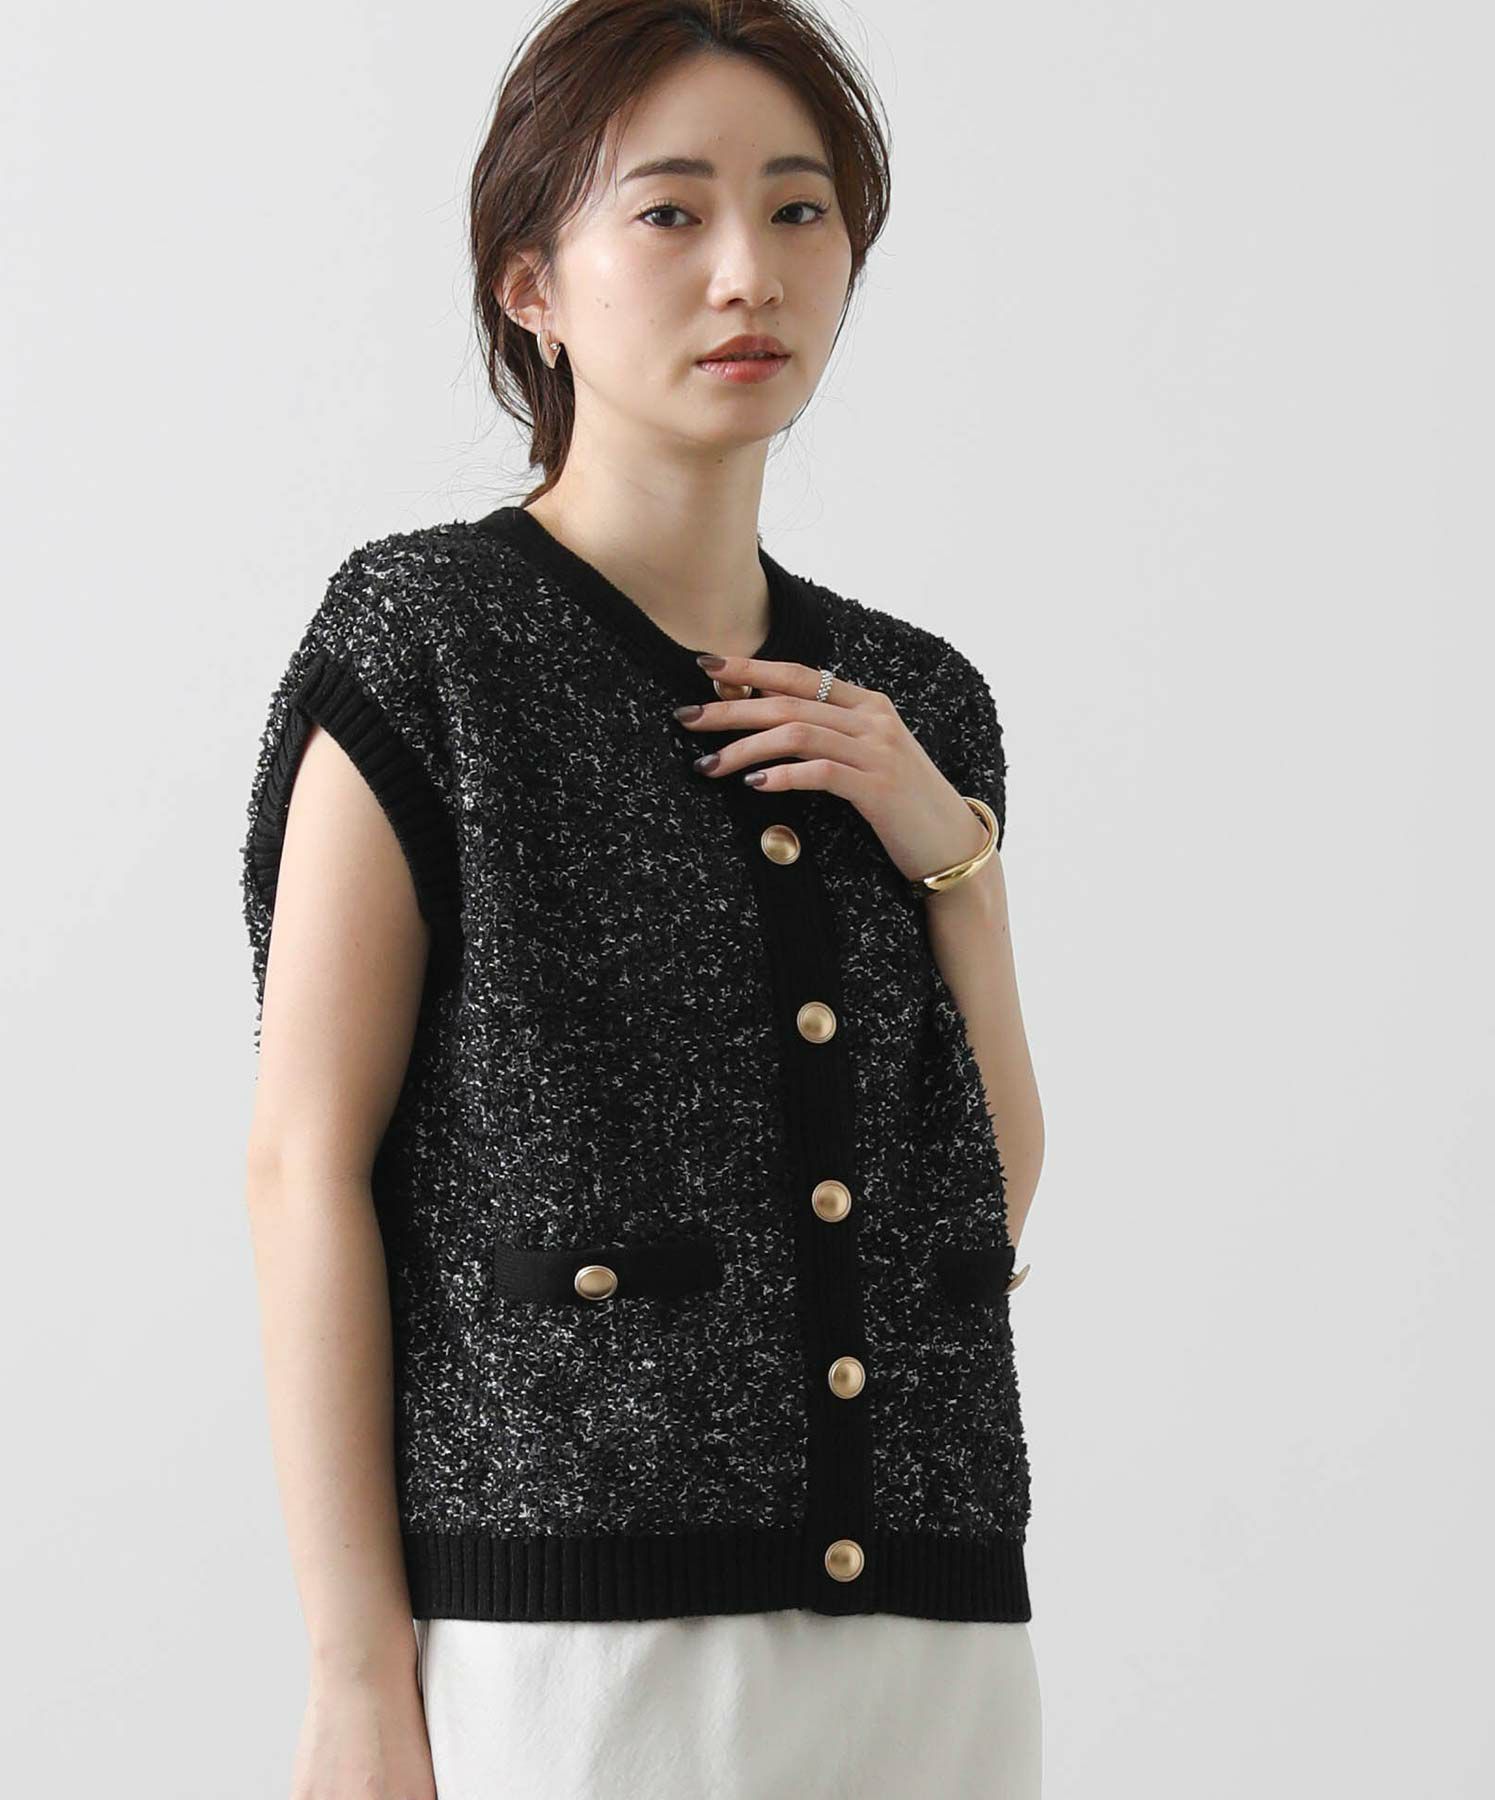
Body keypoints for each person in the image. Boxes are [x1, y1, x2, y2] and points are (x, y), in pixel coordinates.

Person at [241, 2, 1046, 1795]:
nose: (749, 271)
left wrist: (952, 854)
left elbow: (984, 1203)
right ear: (532, 282)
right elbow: (303, 1164)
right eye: (671, 212)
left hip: (935, 1644)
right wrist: (357, 1675)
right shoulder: (431, 642)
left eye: (800, 209)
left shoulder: (918, 699)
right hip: (571, 1644)